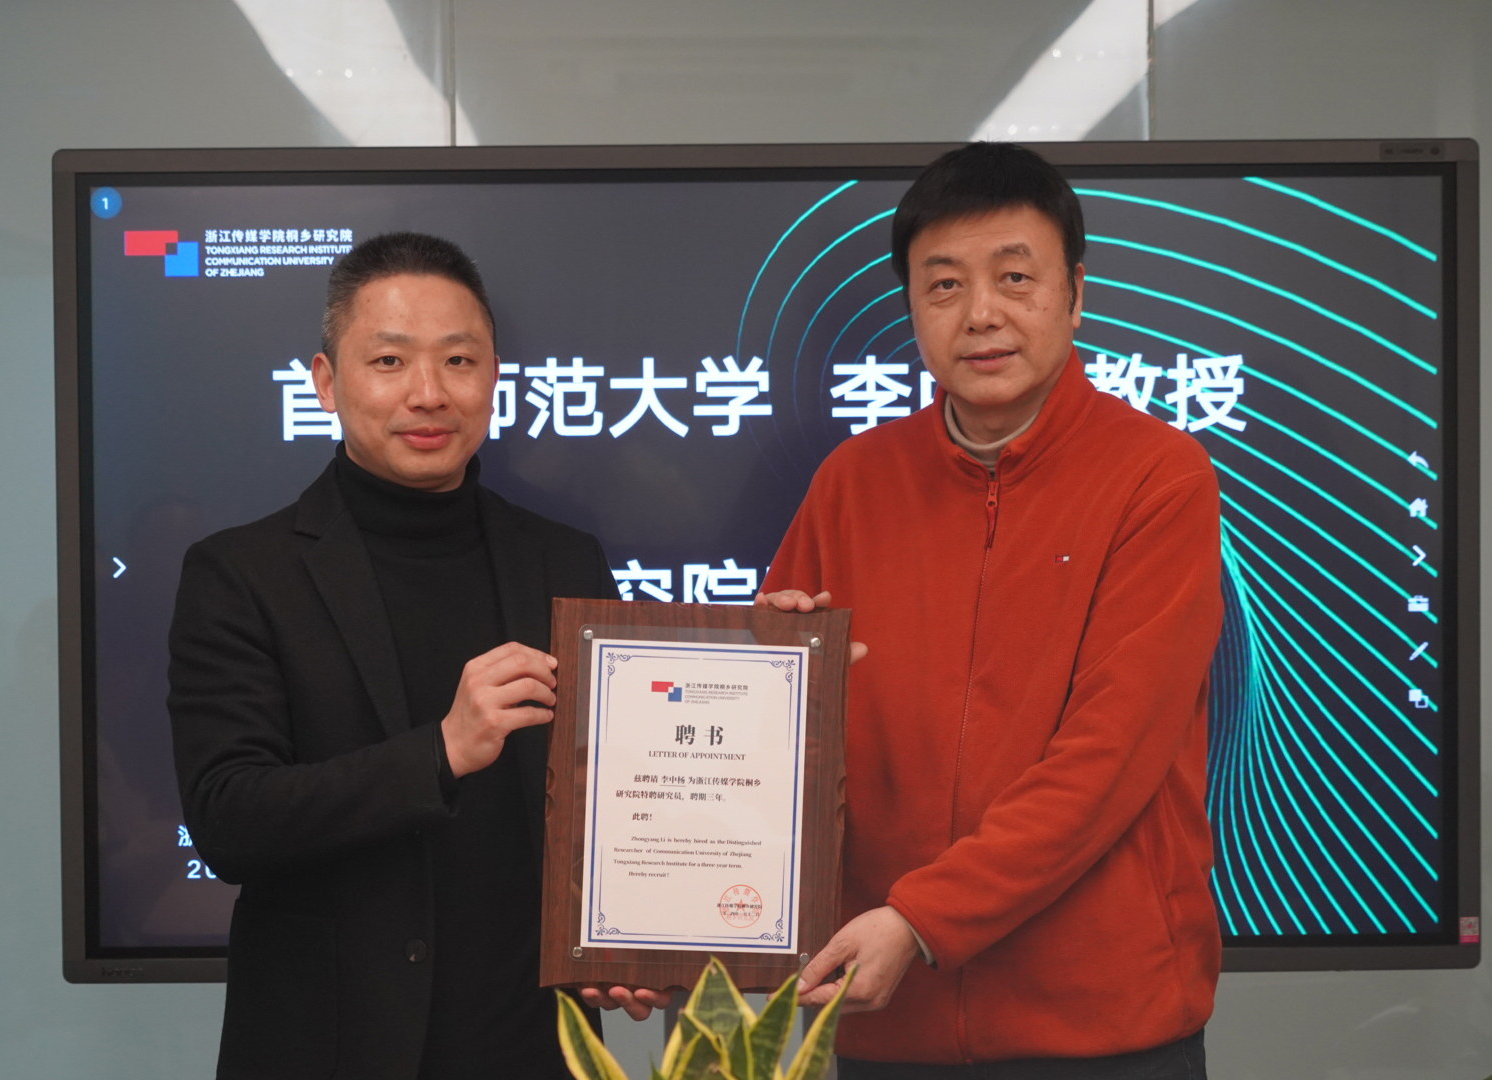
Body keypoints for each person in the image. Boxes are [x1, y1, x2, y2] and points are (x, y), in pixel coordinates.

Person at [758, 143, 1223, 1078]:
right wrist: (780, 683)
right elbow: (767, 751)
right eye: (944, 286)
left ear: (1074, 292)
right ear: (912, 308)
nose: (980, 314)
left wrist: (922, 919)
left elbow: (1109, 756)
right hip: (888, 1019)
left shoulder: (1158, 477)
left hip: (1102, 1028)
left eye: (1015, 277)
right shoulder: (853, 483)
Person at [167, 231, 663, 1080]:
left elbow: (617, 793)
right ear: (327, 382)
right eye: (389, 361)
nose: (428, 393)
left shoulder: (564, 561)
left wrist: (627, 934)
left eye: (458, 361)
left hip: (527, 1044)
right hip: (327, 1045)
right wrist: (439, 751)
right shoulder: (241, 574)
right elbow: (228, 820)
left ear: (494, 376)